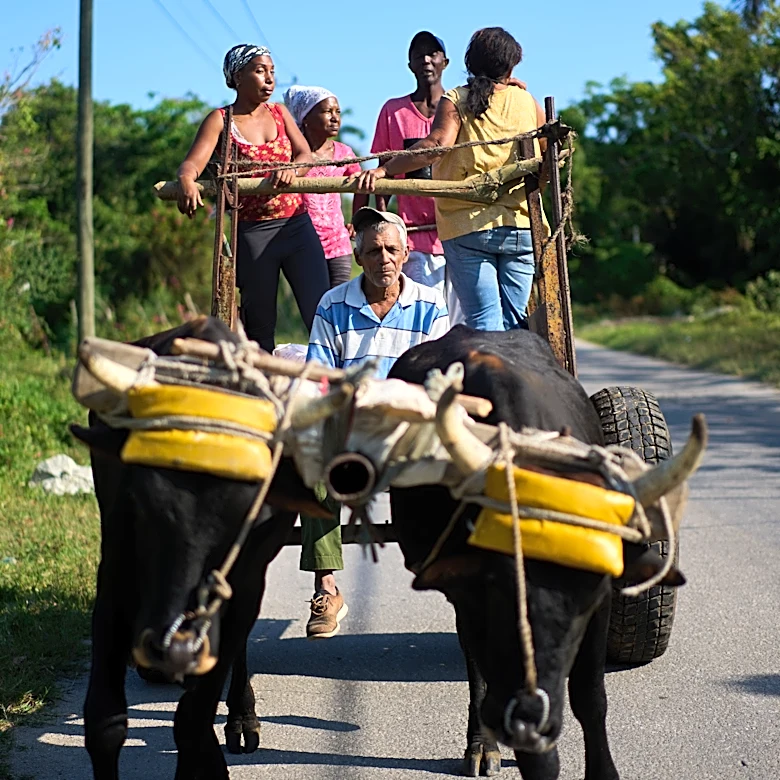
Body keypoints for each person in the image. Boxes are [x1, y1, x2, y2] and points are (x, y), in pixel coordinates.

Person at [301, 207, 450, 638]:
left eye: (390, 249)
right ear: (358, 255)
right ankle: (326, 588)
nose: (382, 258)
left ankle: (463, 574)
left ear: (406, 254)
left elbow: (435, 378)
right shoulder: (333, 304)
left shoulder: (429, 304)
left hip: (408, 428)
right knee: (315, 466)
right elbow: (318, 379)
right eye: (372, 250)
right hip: (351, 431)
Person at [354, 27, 547, 332]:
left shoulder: (457, 99)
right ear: (510, 67)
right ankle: (509, 375)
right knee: (512, 322)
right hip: (520, 227)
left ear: (468, 63)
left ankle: (487, 378)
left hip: (467, 227)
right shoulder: (528, 102)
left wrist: (386, 169)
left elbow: (434, 146)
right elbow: (546, 154)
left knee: (484, 321)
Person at [175, 44, 329, 353]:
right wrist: (186, 181)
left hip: (296, 227)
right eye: (260, 71)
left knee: (322, 313)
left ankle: (335, 380)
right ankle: (260, 390)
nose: (269, 79)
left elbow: (305, 155)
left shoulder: (280, 113)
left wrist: (291, 169)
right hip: (252, 233)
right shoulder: (220, 120)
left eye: (272, 72)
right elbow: (193, 163)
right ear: (237, 77)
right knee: (259, 324)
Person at [357, 31, 462, 322]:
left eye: (433, 54)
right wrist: (379, 222)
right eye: (419, 55)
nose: (427, 60)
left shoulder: (460, 107)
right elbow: (384, 172)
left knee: (461, 323)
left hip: (458, 230)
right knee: (424, 318)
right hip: (415, 238)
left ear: (445, 62)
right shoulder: (394, 112)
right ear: (410, 65)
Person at [284, 85, 361, 289]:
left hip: (338, 242)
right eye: (327, 111)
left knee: (340, 300)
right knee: (315, 305)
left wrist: (357, 218)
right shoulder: (292, 156)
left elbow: (361, 185)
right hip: (304, 242)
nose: (335, 118)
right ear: (306, 117)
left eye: (337, 112)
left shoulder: (344, 153)